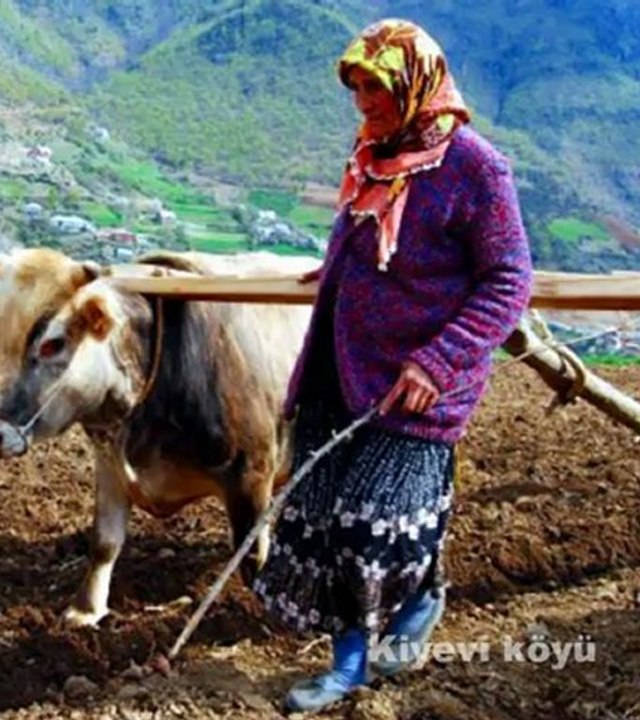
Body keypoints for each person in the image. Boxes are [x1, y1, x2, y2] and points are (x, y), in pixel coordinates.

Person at [251, 18, 534, 713]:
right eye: (356, 91)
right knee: (326, 519)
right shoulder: (375, 151)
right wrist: (336, 271)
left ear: (416, 85)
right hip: (339, 367)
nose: (364, 105)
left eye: (376, 90)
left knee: (370, 527)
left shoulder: (475, 167)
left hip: (415, 383)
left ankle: (391, 630)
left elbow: (508, 280)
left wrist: (438, 362)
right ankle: (353, 657)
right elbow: (369, 235)